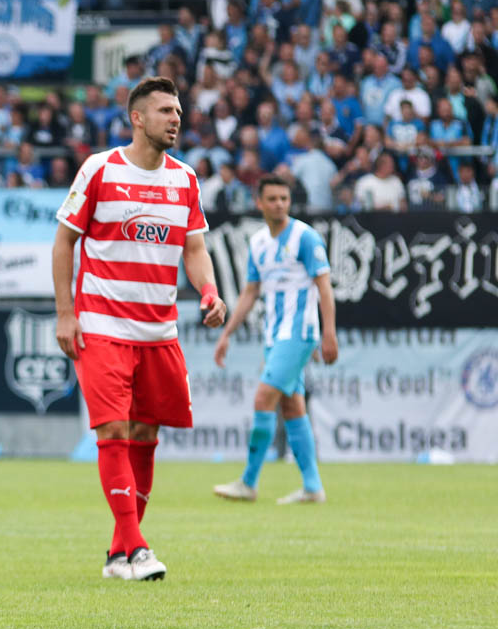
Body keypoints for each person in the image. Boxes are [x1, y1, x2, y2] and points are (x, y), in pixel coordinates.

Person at [53, 76, 227, 582]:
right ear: (137, 118)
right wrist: (66, 312)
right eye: (165, 111)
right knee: (113, 430)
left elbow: (194, 250)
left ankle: (118, 554)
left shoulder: (185, 179)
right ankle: (138, 546)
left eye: (178, 110)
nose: (176, 118)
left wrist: (210, 293)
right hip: (103, 325)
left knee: (146, 435)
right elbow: (64, 242)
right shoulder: (100, 169)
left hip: (159, 331)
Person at [212, 174, 338, 505]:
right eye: (272, 199)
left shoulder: (305, 237)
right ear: (259, 202)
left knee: (263, 397)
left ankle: (248, 482)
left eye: (284, 198)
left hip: (300, 333)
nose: (279, 204)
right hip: (274, 334)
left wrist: (329, 333)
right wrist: (227, 334)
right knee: (292, 405)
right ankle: (312, 487)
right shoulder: (258, 243)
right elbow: (250, 292)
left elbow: (325, 287)